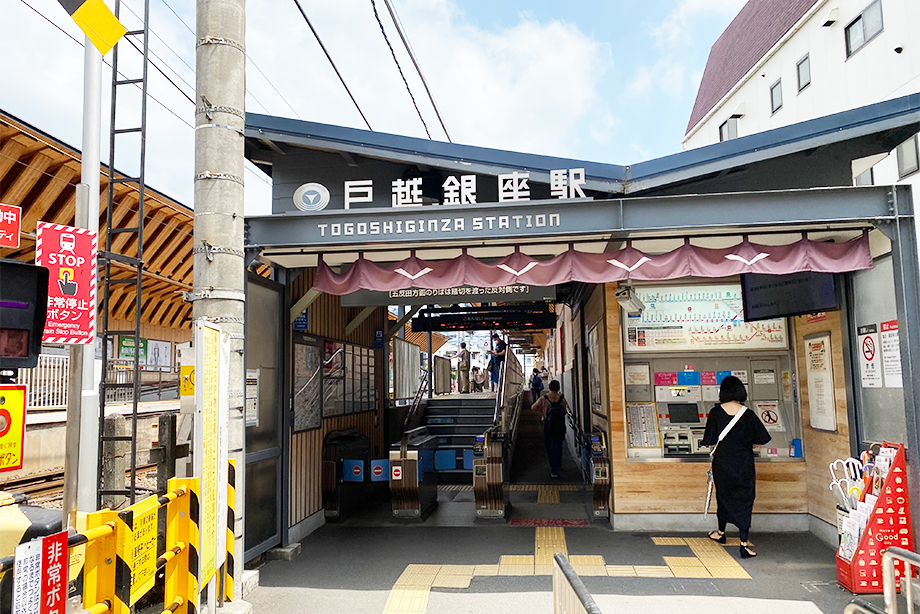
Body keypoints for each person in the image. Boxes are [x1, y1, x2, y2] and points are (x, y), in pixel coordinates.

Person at [702, 375, 771, 559]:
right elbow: (762, 439)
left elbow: (709, 440)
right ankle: (743, 544)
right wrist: (745, 445)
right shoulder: (748, 414)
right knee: (744, 500)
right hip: (743, 464)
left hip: (722, 464)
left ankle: (720, 533)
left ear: (723, 392)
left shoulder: (715, 413)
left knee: (723, 497)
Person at [532, 380, 568, 478]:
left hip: (548, 425)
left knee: (549, 447)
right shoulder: (562, 398)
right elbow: (565, 409)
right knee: (558, 445)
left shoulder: (544, 398)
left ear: (549, 387)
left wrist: (542, 412)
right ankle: (559, 465)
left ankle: (553, 470)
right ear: (558, 387)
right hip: (560, 425)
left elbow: (533, 407)